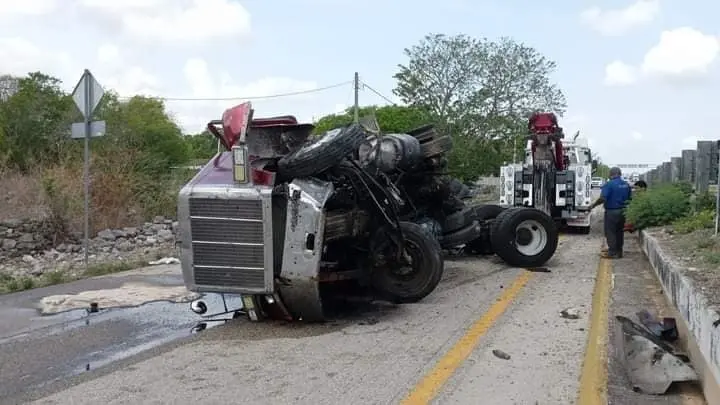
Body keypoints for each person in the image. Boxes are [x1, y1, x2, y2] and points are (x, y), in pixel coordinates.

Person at [589, 167, 632, 258]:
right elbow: (629, 199)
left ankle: (612, 252)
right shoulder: (626, 185)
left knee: (610, 232)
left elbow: (603, 198)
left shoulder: (609, 184)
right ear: (619, 174)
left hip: (611, 212)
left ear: (611, 174)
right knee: (619, 232)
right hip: (623, 212)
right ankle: (619, 251)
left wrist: (593, 205)